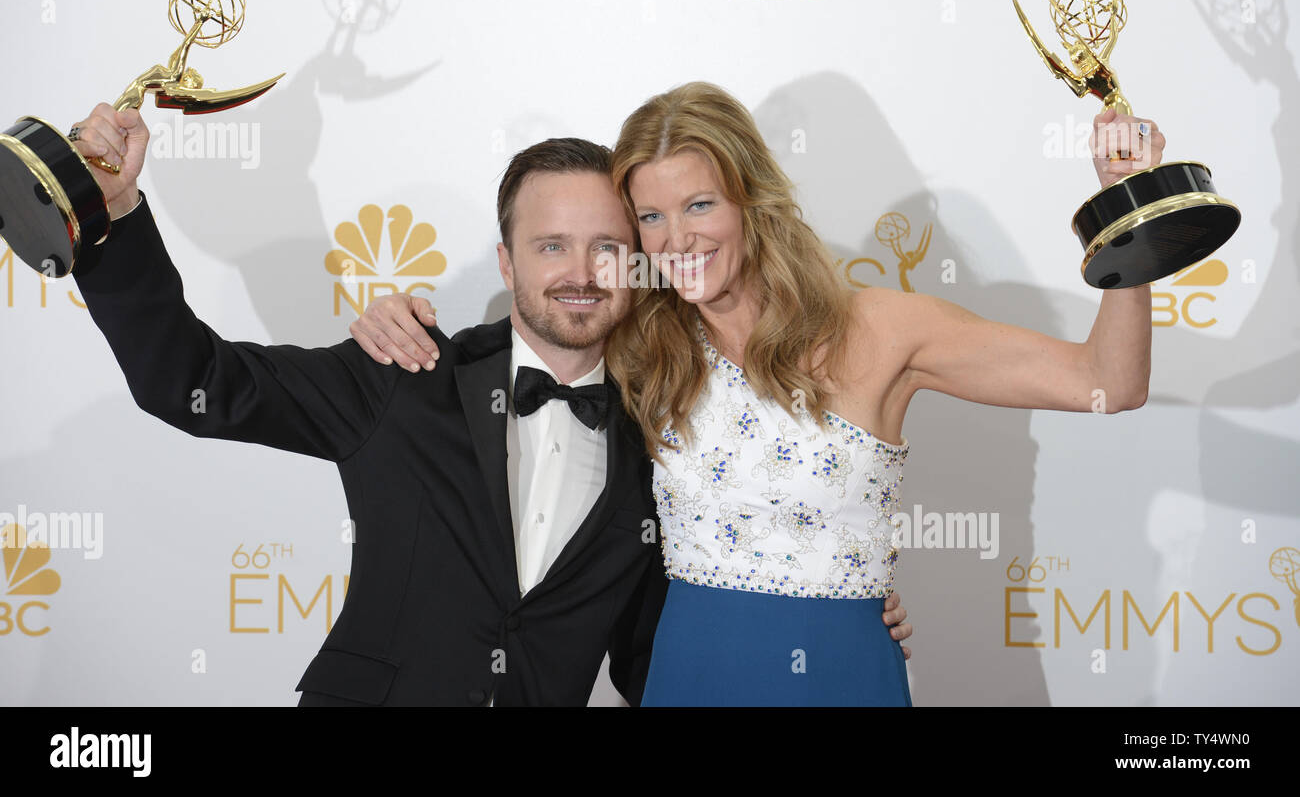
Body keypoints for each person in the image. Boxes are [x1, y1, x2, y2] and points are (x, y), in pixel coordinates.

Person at [64, 102, 911, 707]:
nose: (581, 273)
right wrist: (117, 213)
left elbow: (658, 656)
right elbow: (191, 381)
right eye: (551, 246)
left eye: (607, 247)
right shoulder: (403, 368)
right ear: (506, 263)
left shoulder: (668, 436)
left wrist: (821, 614)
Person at [352, 81, 1160, 705]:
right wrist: (394, 319)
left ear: (751, 198)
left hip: (843, 671)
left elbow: (1107, 382)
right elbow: (526, 342)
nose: (680, 238)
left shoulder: (880, 328)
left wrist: (1128, 206)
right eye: (653, 217)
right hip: (690, 674)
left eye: (701, 203)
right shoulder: (645, 348)